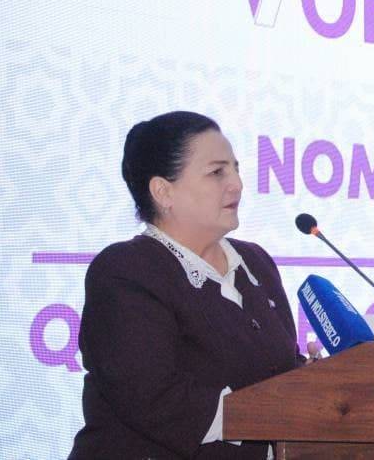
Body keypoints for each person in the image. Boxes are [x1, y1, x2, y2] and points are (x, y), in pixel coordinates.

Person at [69, 111, 316, 459]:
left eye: (236, 169)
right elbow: (154, 399)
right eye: (217, 172)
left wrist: (313, 381)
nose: (236, 184)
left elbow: (276, 368)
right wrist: (274, 413)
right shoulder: (124, 271)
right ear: (163, 191)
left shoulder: (255, 261)